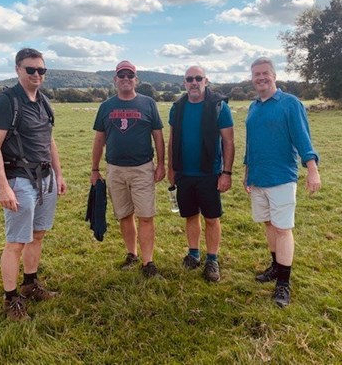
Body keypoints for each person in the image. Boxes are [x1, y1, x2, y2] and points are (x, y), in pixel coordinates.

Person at [0, 48, 67, 321]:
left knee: (38, 234)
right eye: (30, 69)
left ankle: (31, 284)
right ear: (18, 69)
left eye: (41, 70)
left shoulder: (43, 101)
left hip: (45, 179)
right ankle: (11, 300)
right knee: (16, 243)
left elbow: (49, 140)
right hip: (19, 179)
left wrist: (59, 174)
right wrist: (2, 186)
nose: (36, 75)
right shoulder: (8, 102)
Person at [243, 57, 321, 307]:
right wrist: (247, 171)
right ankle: (276, 267)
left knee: (282, 228)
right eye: (256, 74)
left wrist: (312, 169)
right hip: (258, 177)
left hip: (282, 178)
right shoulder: (254, 106)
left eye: (265, 73)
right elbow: (251, 142)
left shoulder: (290, 103)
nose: (261, 78)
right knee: (268, 224)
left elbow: (302, 137)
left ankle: (283, 284)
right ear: (252, 78)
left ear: (274, 76)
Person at [90, 60, 165, 278]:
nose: (125, 79)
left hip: (142, 168)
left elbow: (158, 136)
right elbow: (99, 139)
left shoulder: (148, 103)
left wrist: (161, 164)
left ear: (136, 80)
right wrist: (95, 169)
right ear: (115, 80)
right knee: (124, 214)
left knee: (146, 215)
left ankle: (148, 262)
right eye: (121, 76)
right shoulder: (106, 107)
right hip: (115, 169)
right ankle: (131, 254)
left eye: (129, 76)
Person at [168, 66, 234, 282]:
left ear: (206, 80)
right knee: (190, 215)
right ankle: (194, 253)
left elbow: (228, 141)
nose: (194, 82)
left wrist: (226, 173)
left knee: (212, 218)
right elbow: (172, 139)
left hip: (210, 173)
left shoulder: (218, 106)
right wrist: (171, 168)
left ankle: (212, 259)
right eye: (189, 79)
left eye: (198, 78)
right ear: (184, 82)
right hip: (184, 173)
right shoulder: (177, 108)